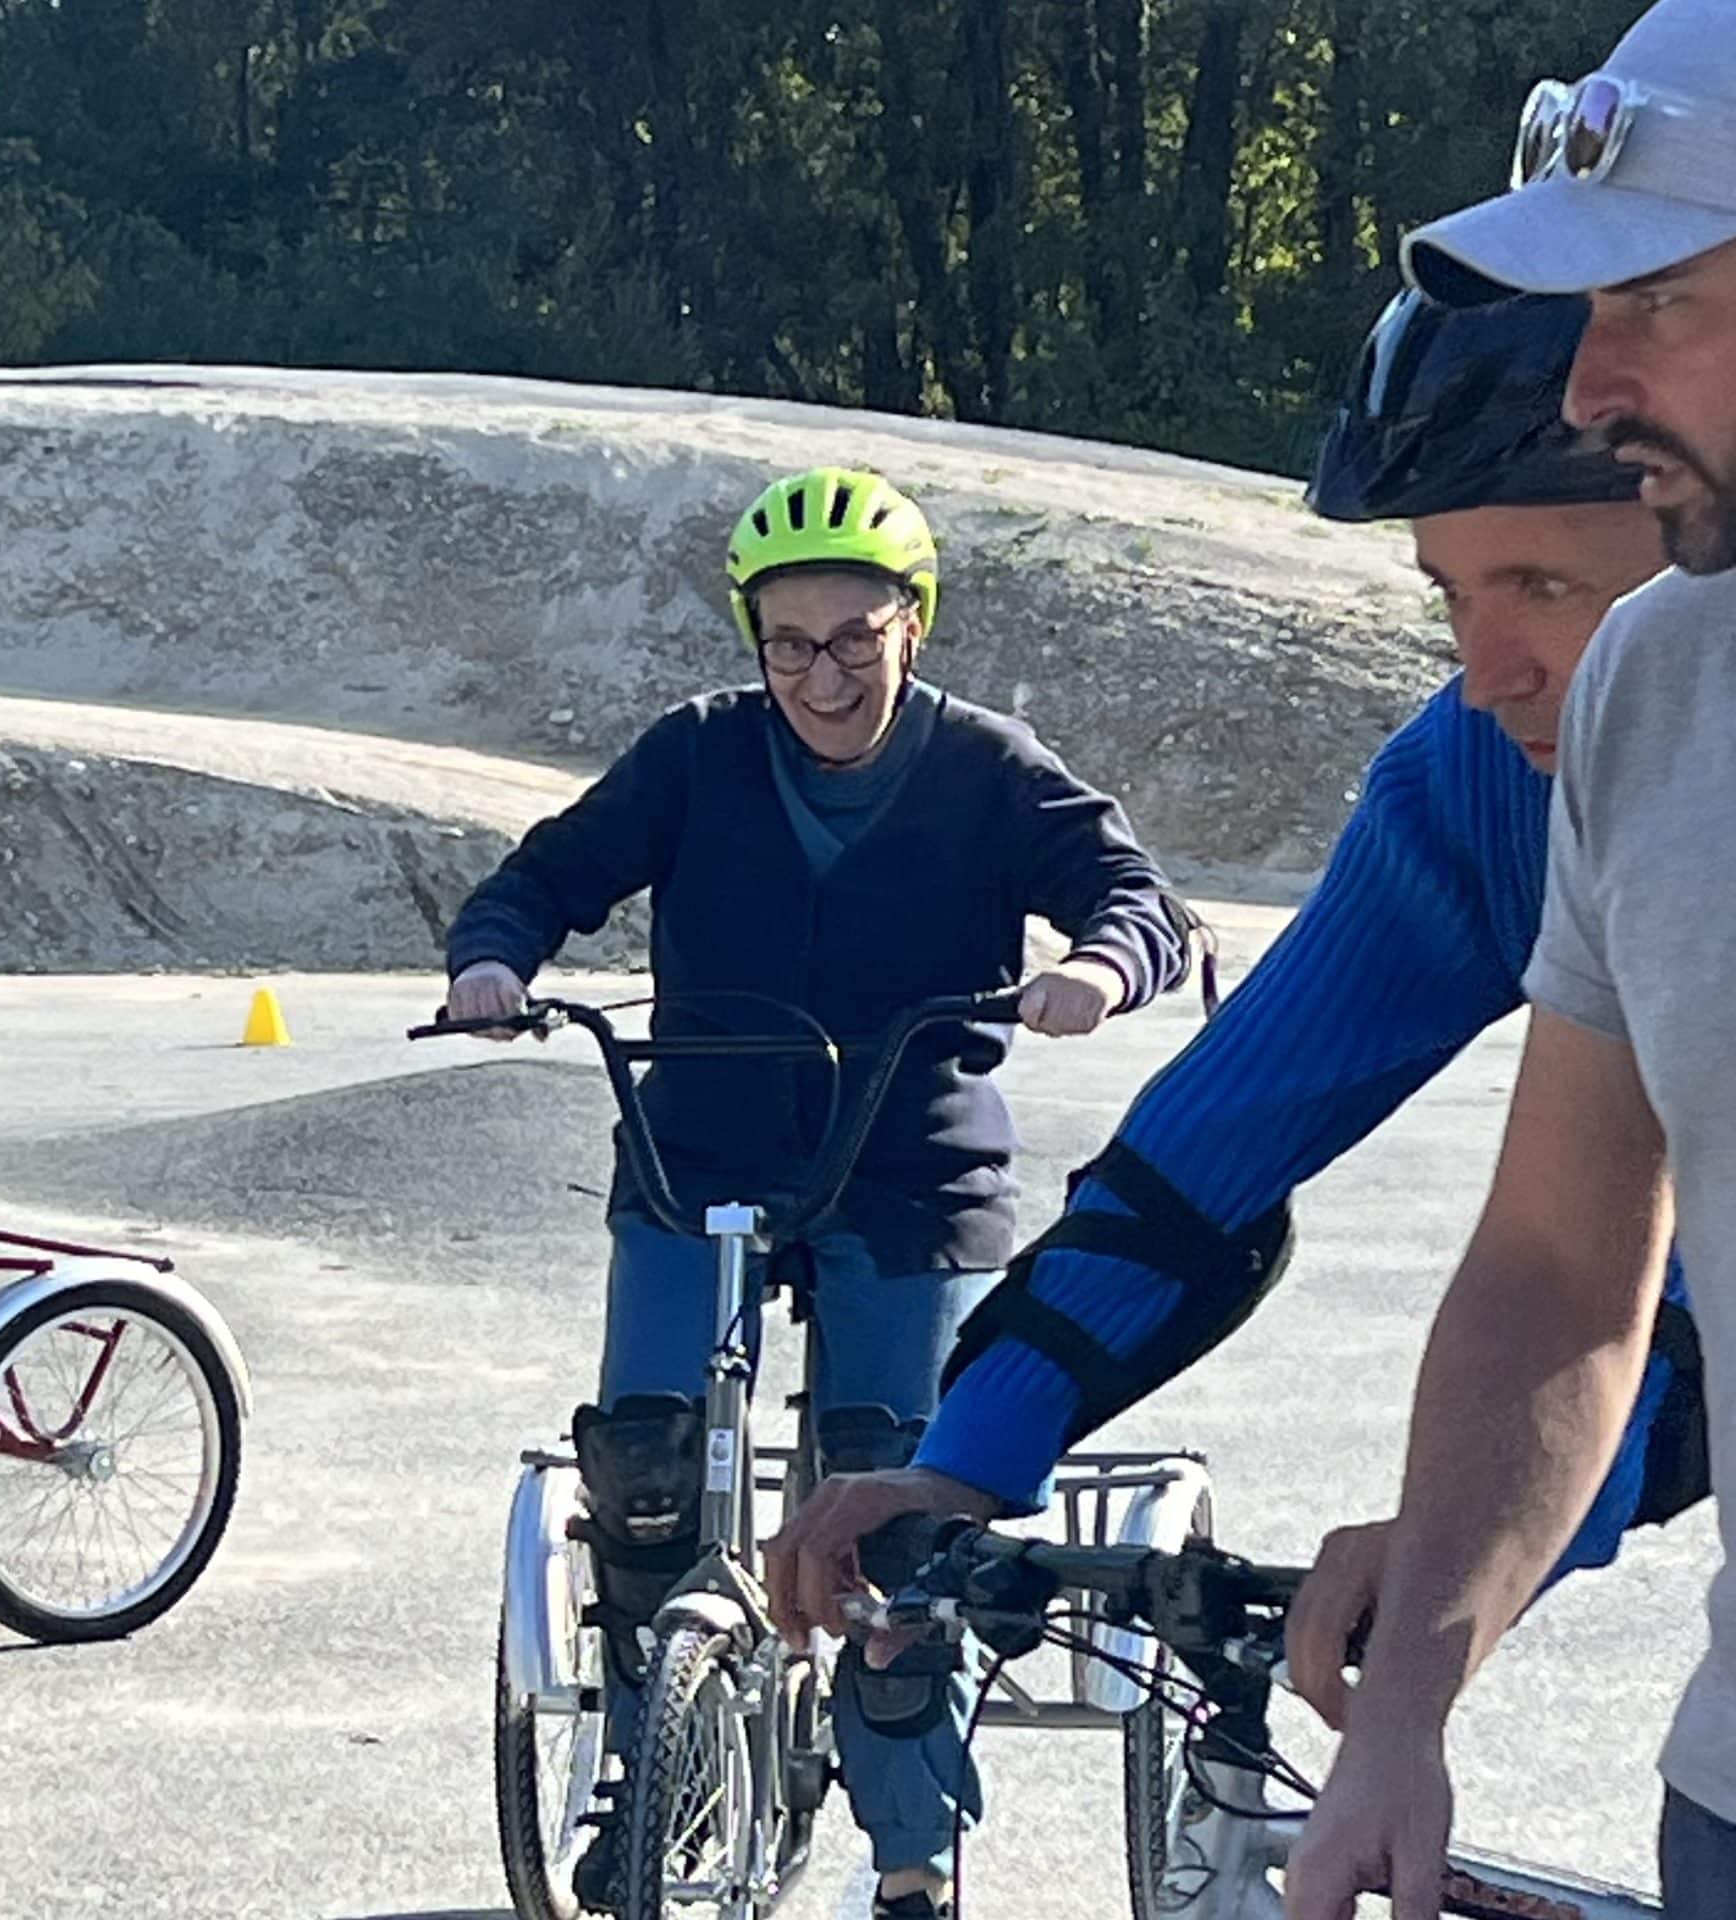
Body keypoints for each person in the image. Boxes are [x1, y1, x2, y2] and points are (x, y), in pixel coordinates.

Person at [757, 289, 1709, 1689]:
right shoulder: (1474, 779)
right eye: (1452, 594)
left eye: (1544, 590)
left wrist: (1483, 1545)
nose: (1483, 668)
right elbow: (1203, 1161)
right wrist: (963, 1462)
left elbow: (1698, 1284)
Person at [441, 466, 1193, 1918]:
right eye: (788, 644)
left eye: (855, 638)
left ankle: (910, 1860)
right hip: (700, 1148)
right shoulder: (697, 757)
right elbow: (545, 877)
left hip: (912, 1167)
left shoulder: (986, 765)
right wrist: (493, 960)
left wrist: (1099, 971)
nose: (822, 675)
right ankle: (664, 1767)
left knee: (895, 1524)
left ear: (914, 626)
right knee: (645, 1463)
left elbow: (1134, 894)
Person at [1281, 2, 1736, 1909]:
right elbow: (1563, 1268)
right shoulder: (1658, 682)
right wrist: (1410, 1709)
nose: (1585, 383)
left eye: (1659, 303)